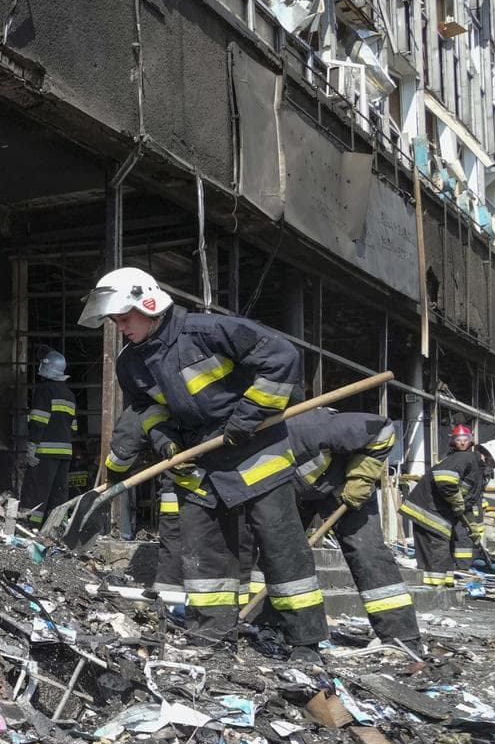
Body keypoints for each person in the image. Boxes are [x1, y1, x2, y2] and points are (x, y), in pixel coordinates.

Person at [80, 266, 327, 653]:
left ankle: (305, 641)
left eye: (124, 319)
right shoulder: (131, 364)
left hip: (256, 451)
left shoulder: (209, 332)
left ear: (149, 305)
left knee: (281, 549)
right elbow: (149, 412)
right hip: (198, 463)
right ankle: (210, 635)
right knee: (204, 556)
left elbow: (282, 358)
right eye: (115, 321)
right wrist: (167, 445)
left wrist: (246, 418)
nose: (120, 328)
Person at [284, 409, 416, 644]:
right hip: (299, 492)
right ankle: (269, 625)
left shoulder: (308, 428)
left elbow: (383, 429)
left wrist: (362, 478)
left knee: (367, 551)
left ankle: (401, 636)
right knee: (280, 553)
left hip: (344, 484)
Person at [102, 405, 185, 611]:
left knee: (174, 543)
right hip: (219, 491)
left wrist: (114, 475)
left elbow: (122, 450)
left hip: (180, 491)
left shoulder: (145, 407)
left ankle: (169, 605)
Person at [403, 423, 481, 585]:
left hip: (437, 510)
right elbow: (445, 482)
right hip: (430, 510)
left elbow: (466, 500)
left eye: (465, 439)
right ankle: (434, 587)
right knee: (437, 546)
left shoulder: (468, 463)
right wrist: (458, 503)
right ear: (453, 441)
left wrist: (471, 524)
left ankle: (445, 583)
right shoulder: (462, 459)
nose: (462, 442)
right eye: (458, 439)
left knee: (443, 547)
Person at [18, 348, 77, 528]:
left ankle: (29, 526)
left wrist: (32, 446)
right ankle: (56, 528)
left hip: (44, 452)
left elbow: (38, 420)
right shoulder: (70, 395)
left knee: (35, 491)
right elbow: (73, 427)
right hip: (65, 452)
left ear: (46, 368)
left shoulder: (44, 390)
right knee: (58, 493)